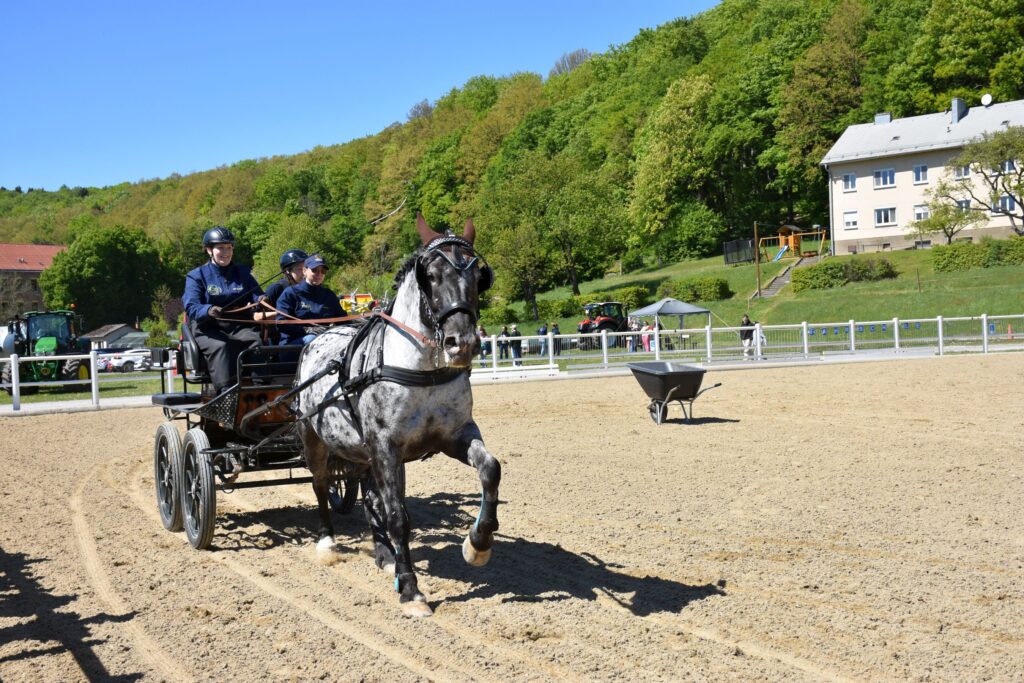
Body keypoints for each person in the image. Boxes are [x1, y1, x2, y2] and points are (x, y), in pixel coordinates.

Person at [182, 226, 264, 393]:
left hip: (238, 325)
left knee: (256, 342)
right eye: (220, 248)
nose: (225, 252)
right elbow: (191, 306)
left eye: (229, 248)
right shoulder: (196, 276)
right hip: (208, 327)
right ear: (209, 250)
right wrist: (208, 309)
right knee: (222, 346)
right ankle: (226, 391)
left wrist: (261, 299)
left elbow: (256, 295)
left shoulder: (243, 273)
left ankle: (260, 387)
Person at [276, 254, 345, 346]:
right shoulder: (290, 293)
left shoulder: (329, 295)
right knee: (313, 339)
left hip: (325, 341)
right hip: (293, 345)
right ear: (304, 271)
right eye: (314, 270)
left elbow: (343, 320)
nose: (319, 274)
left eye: (323, 271)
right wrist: (306, 330)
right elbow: (281, 322)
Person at [254, 248, 307, 341]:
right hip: (280, 338)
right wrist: (288, 314)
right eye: (300, 269)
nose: (304, 273)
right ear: (287, 271)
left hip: (305, 331)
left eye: (306, 268)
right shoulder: (277, 288)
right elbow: (257, 316)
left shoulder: (308, 289)